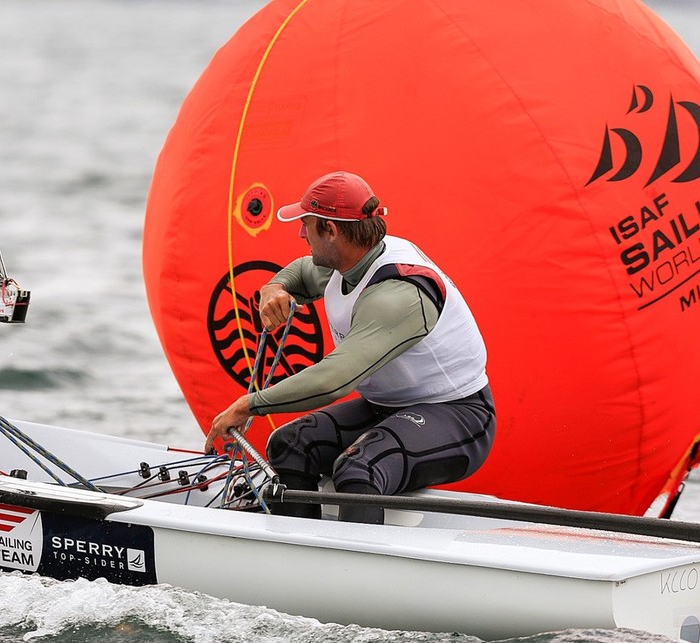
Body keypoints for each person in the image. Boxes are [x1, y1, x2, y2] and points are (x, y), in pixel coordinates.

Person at [204, 171, 495, 523]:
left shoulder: (397, 296)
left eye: (307, 225)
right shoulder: (349, 260)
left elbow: (334, 381)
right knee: (291, 446)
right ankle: (294, 554)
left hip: (459, 416)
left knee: (358, 469)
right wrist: (275, 288)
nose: (300, 234)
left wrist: (251, 405)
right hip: (386, 407)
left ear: (331, 230)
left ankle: (352, 573)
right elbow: (301, 271)